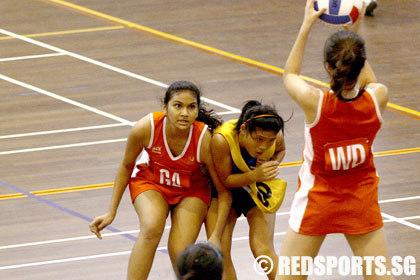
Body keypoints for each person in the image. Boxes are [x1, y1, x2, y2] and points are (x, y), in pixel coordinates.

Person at [276, 1, 392, 279]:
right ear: (361, 63)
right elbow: (367, 81)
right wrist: (355, 34)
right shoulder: (378, 98)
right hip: (360, 201)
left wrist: (306, 25)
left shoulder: (314, 103)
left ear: (328, 66)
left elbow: (290, 74)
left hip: (317, 202)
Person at [89, 81, 231, 280]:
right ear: (165, 108)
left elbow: (223, 192)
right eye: (178, 106)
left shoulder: (204, 139)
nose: (184, 113)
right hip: (152, 183)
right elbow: (125, 167)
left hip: (192, 190)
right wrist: (111, 211)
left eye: (191, 107)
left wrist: (215, 235)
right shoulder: (146, 127)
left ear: (198, 111)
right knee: (151, 227)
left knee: (179, 249)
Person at [209, 100, 287, 280]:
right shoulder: (222, 139)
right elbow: (226, 180)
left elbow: (281, 150)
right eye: (259, 139)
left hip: (256, 191)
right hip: (226, 193)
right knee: (222, 252)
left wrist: (273, 162)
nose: (263, 146)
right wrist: (254, 176)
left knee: (262, 248)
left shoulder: (275, 137)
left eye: (269, 141)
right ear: (244, 128)